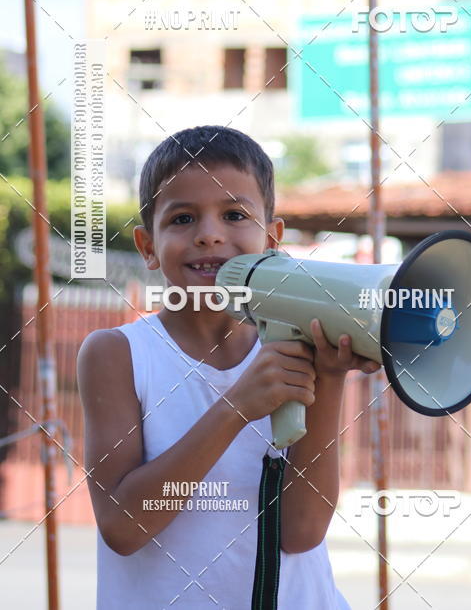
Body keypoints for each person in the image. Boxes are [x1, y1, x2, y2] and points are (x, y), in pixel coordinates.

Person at [78, 125, 381, 609]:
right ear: (147, 246)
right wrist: (236, 407)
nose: (210, 234)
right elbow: (123, 526)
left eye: (235, 215)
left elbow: (301, 532)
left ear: (272, 239)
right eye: (182, 219)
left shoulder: (299, 347)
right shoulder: (117, 354)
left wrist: (330, 377)